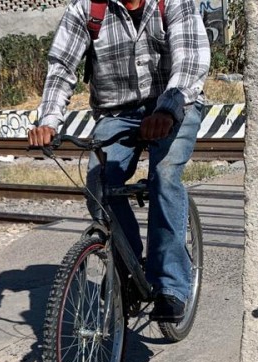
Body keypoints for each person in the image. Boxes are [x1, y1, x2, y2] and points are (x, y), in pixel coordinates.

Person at [28, 0, 210, 322]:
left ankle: (171, 285)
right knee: (99, 182)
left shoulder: (173, 3)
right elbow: (62, 66)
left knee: (164, 177)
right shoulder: (87, 8)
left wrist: (167, 109)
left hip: (175, 103)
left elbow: (189, 59)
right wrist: (48, 121)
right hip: (117, 112)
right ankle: (126, 270)